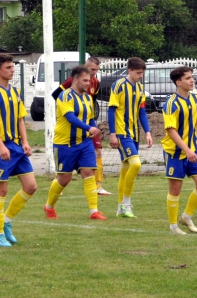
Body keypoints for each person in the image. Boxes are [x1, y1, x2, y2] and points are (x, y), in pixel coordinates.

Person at [0, 53, 38, 247]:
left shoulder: (15, 92)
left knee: (31, 186)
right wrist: (0, 144)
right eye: (8, 67)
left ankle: (6, 221)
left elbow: (20, 119)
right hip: (2, 146)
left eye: (13, 67)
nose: (12, 70)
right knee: (2, 190)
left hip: (17, 146)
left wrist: (25, 142)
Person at [43, 65, 107, 220]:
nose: (88, 83)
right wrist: (88, 128)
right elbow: (70, 117)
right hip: (65, 143)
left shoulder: (87, 97)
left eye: (90, 80)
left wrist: (94, 129)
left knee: (89, 173)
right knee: (64, 179)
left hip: (84, 142)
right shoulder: (65, 96)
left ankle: (94, 211)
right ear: (75, 80)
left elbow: (90, 117)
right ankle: (49, 206)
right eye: (85, 80)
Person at [51, 56, 110, 195]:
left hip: (88, 125)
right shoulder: (72, 84)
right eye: (92, 69)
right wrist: (67, 107)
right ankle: (58, 184)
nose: (94, 73)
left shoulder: (95, 82)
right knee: (65, 176)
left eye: (96, 70)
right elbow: (55, 94)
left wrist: (90, 121)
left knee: (98, 151)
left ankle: (98, 186)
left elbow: (92, 101)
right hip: (70, 129)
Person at [162, 66, 197, 235]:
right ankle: (173, 227)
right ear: (178, 82)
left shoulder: (196, 100)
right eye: (188, 78)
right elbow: (171, 130)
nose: (192, 80)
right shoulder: (171, 103)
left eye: (192, 77)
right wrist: (186, 150)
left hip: (194, 149)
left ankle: (187, 216)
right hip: (175, 152)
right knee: (175, 190)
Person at [108, 57, 153, 218]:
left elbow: (142, 111)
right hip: (122, 133)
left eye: (142, 73)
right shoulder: (119, 85)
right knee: (136, 164)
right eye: (138, 73)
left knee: (126, 168)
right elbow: (111, 110)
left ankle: (121, 208)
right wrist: (112, 133)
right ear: (130, 71)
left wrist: (147, 132)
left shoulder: (139, 88)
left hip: (134, 134)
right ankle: (126, 203)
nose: (141, 76)